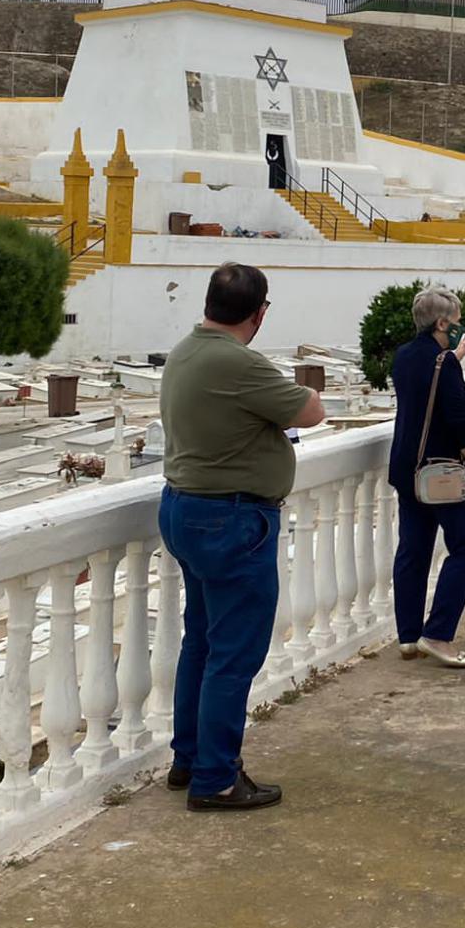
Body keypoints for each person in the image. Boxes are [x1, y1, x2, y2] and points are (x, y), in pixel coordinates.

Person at [159, 262, 325, 811]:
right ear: (260, 313)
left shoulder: (185, 351)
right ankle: (216, 778)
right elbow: (313, 411)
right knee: (233, 654)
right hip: (232, 519)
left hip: (185, 508)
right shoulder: (239, 362)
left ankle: (189, 758)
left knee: (201, 643)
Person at [387, 285, 465, 668]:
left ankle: (408, 636)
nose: (459, 325)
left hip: (407, 469)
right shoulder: (444, 364)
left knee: (413, 549)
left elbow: (424, 386)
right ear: (442, 321)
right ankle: (438, 633)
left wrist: (452, 356)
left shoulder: (404, 357)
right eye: (455, 320)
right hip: (444, 472)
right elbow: (459, 424)